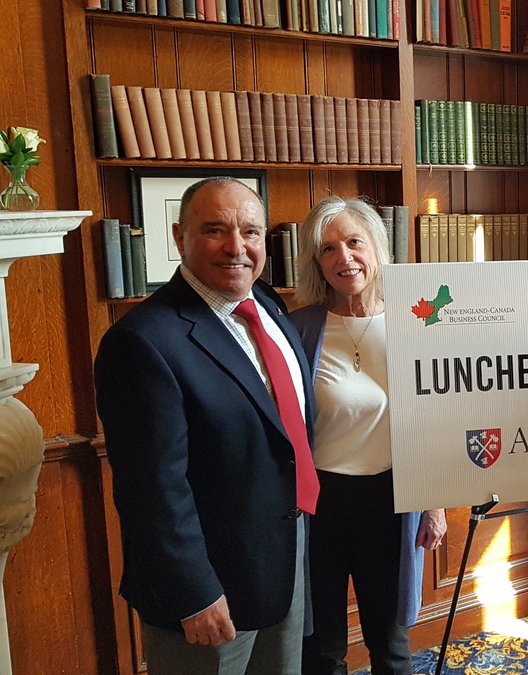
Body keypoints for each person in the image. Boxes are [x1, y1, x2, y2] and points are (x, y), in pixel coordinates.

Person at [94, 177, 315, 674]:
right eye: (215, 230)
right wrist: (193, 593)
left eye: (251, 232)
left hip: (283, 562)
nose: (237, 247)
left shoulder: (270, 307)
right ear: (179, 237)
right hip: (207, 589)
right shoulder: (142, 342)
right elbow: (151, 487)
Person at [290, 196, 447, 675]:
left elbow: (435, 415)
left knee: (391, 643)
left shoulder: (417, 320)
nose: (344, 258)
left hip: (391, 497)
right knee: (321, 646)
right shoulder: (300, 328)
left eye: (354, 242)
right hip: (319, 505)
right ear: (317, 263)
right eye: (329, 249)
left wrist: (435, 502)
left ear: (377, 248)